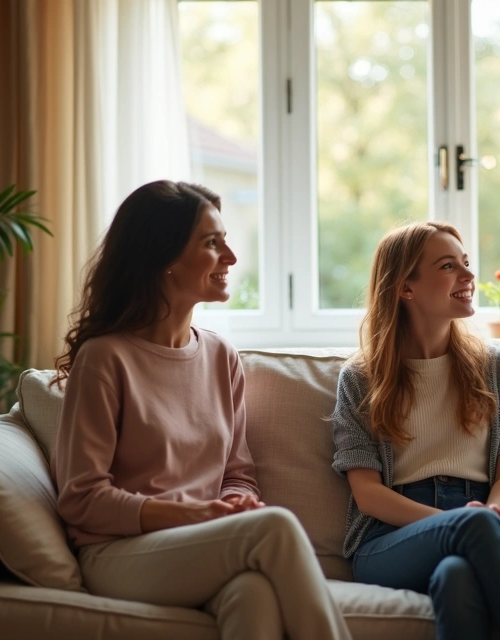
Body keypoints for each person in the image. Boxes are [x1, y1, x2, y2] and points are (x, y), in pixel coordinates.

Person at [51, 180, 351, 640]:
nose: (230, 257)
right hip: (119, 554)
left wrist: (233, 500)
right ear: (164, 258)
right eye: (212, 243)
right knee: (272, 527)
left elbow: (238, 471)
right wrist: (193, 514)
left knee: (253, 594)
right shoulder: (105, 359)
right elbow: (82, 498)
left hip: (196, 544)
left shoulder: (219, 356)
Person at [331, 221, 500, 640]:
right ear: (405, 288)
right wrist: (465, 525)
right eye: (449, 266)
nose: (469, 276)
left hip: (488, 519)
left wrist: (490, 518)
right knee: (472, 534)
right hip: (392, 539)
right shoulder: (361, 379)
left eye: (466, 263)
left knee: (457, 576)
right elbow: (368, 494)